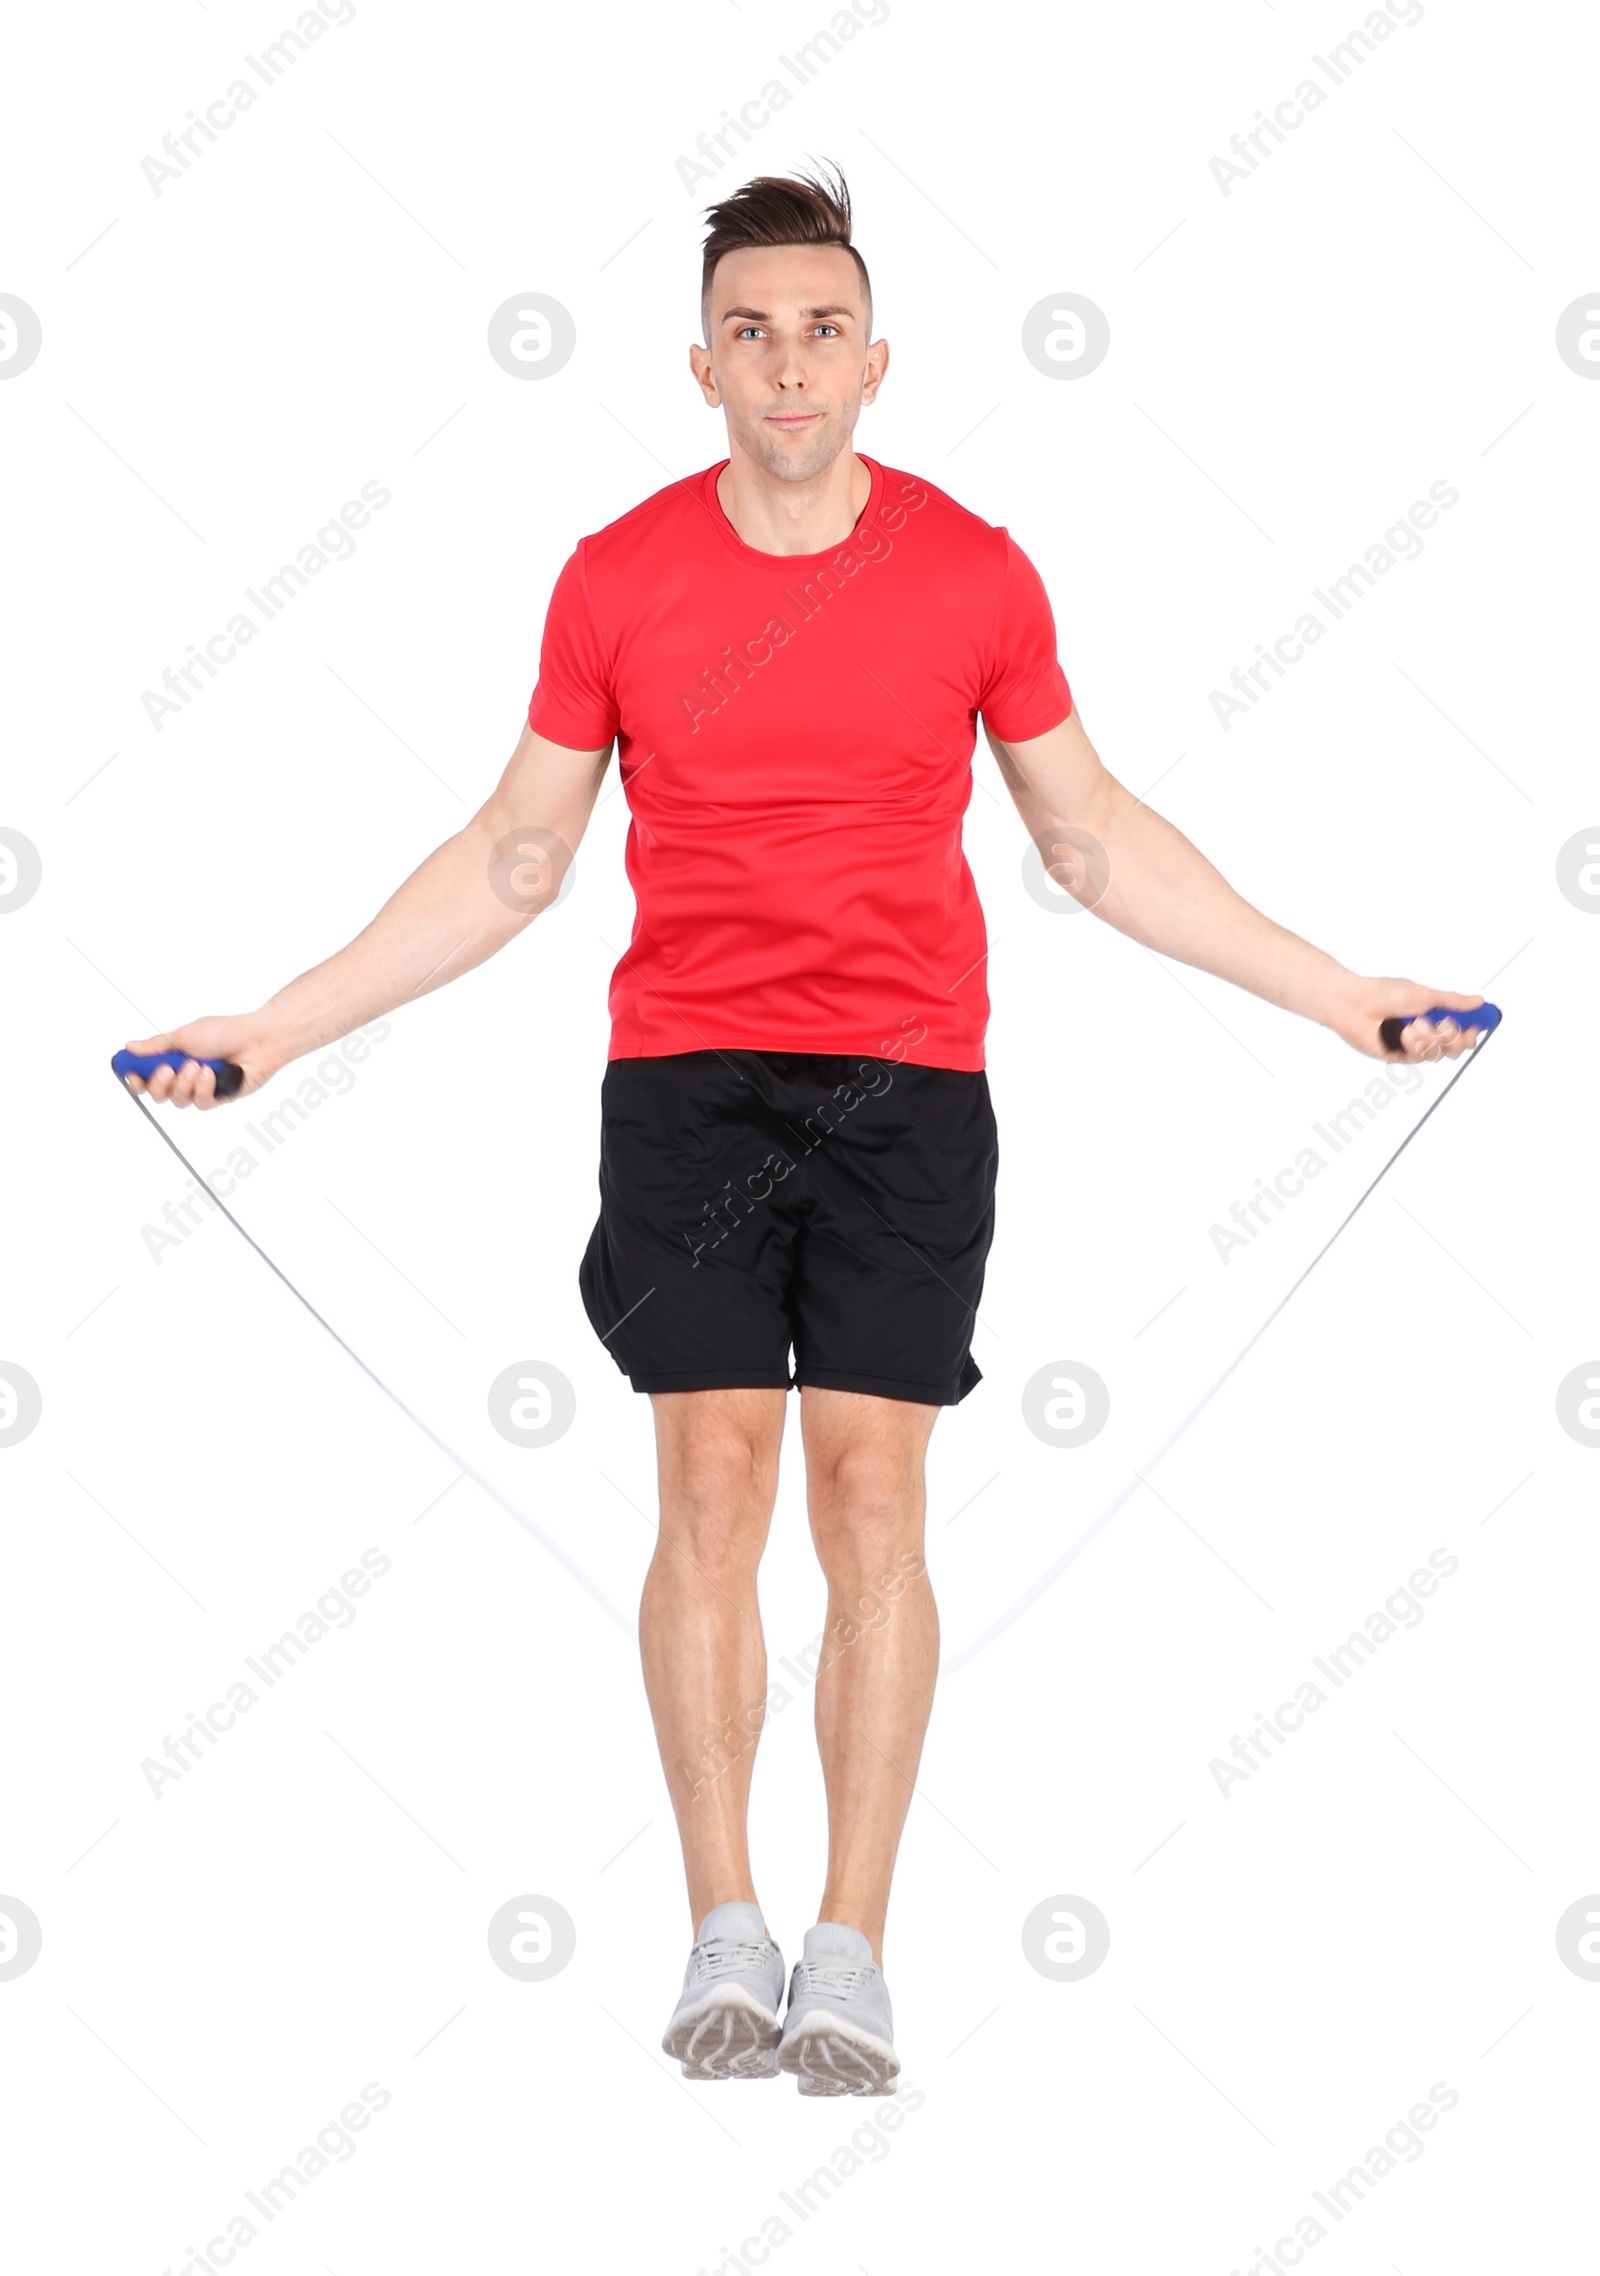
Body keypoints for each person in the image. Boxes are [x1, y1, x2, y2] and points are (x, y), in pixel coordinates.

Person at [120, 164, 1487, 2098]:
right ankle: (723, 1931)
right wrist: (274, 1029)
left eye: (822, 328)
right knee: (708, 1499)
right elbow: (516, 854)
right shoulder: (618, 574)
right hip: (688, 1083)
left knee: (873, 1507)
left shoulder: (974, 570)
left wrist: (1341, 992)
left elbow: (1091, 839)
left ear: (877, 360)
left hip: (909, 1093)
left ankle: (850, 1946)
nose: (788, 363)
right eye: (750, 330)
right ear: (701, 363)